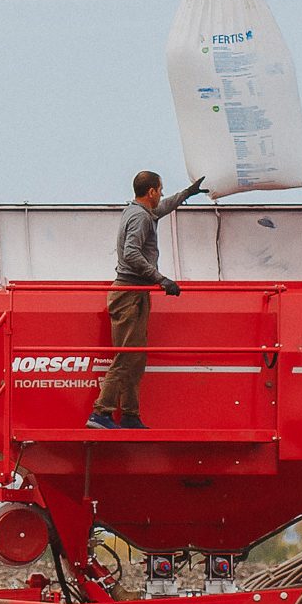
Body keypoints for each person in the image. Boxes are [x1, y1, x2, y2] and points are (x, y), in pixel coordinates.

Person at [90, 169, 209, 429]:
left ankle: (131, 416)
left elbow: (163, 207)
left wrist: (187, 193)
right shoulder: (141, 218)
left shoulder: (140, 211)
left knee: (136, 357)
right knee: (127, 356)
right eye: (161, 189)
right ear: (151, 191)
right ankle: (101, 413)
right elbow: (131, 253)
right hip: (129, 294)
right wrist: (161, 279)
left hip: (136, 293)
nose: (162, 194)